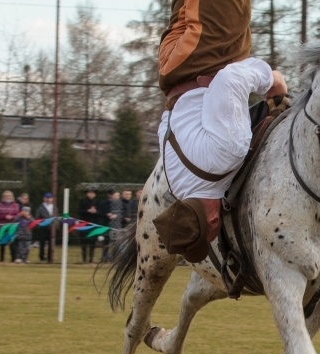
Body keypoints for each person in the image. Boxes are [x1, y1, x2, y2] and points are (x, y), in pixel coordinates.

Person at [155, 0, 288, 263]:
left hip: (204, 54)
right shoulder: (178, 183)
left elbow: (231, 79)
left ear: (213, 223)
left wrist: (273, 80)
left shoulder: (224, 157)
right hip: (171, 65)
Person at [0, 190, 20, 262]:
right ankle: (1, 259)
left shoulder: (16, 205)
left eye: (9, 196)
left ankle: (13, 258)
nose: (7, 197)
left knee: (12, 242)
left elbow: (18, 215)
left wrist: (12, 217)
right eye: (6, 196)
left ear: (12, 197)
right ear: (3, 197)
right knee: (2, 242)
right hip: (2, 226)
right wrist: (5, 216)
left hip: (12, 226)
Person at [78, 187, 100, 264]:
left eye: (93, 193)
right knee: (84, 242)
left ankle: (91, 259)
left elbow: (100, 213)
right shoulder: (83, 201)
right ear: (87, 194)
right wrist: (88, 211)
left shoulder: (97, 202)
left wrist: (95, 212)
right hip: (84, 224)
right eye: (90, 193)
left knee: (92, 242)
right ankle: (84, 259)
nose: (91, 194)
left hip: (93, 224)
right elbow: (80, 211)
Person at [100, 189, 123, 262]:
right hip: (107, 225)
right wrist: (107, 214)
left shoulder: (120, 204)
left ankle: (114, 257)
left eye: (117, 195)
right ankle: (104, 257)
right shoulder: (105, 203)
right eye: (115, 195)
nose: (116, 197)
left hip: (116, 227)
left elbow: (123, 213)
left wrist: (117, 216)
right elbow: (101, 213)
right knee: (106, 242)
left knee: (115, 242)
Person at [35, 192, 58, 263]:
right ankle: (42, 257)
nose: (48, 199)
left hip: (52, 228)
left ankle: (49, 258)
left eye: (50, 198)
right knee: (42, 243)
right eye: (47, 198)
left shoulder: (54, 207)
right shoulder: (41, 207)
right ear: (44, 198)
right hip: (43, 228)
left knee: (51, 243)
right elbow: (37, 217)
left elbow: (57, 217)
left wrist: (56, 225)